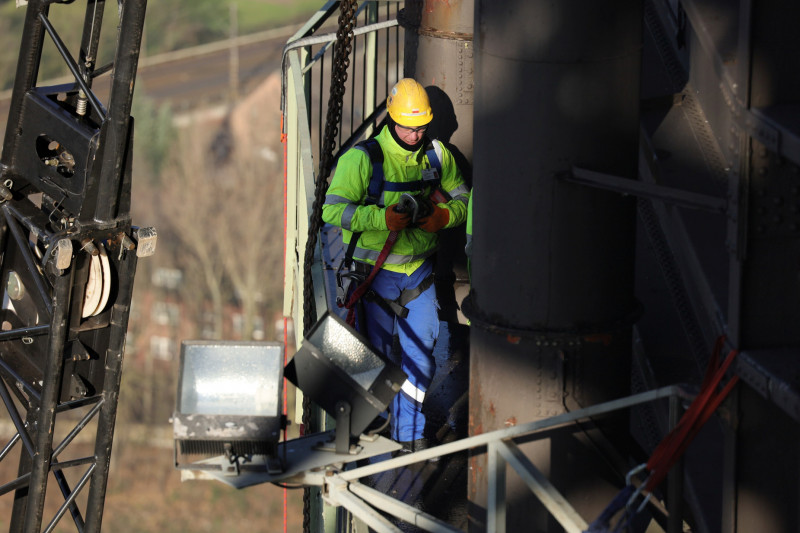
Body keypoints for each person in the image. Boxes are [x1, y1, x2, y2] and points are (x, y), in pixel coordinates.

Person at [322, 78, 470, 452]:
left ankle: (410, 435)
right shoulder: (363, 159)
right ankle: (369, 429)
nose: (414, 134)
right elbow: (331, 210)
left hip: (417, 276)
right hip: (373, 281)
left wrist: (443, 217)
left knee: (420, 357)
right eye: (406, 125)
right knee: (376, 360)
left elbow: (464, 200)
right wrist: (381, 220)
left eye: (420, 126)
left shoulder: (438, 156)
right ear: (392, 119)